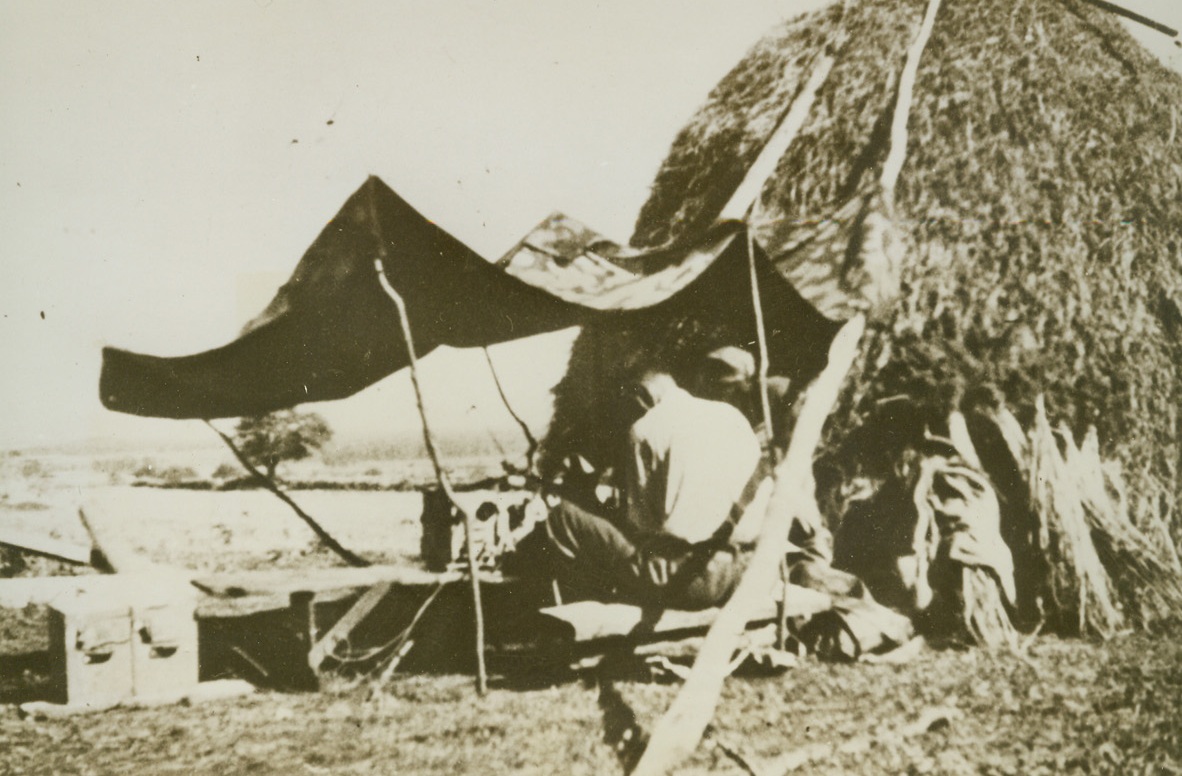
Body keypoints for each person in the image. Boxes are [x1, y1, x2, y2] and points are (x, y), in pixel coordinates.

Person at [508, 362, 771, 610]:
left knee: (564, 516)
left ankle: (590, 611)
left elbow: (641, 526)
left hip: (686, 582)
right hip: (744, 572)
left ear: (640, 392)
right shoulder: (730, 415)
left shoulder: (646, 429)